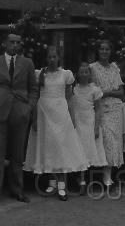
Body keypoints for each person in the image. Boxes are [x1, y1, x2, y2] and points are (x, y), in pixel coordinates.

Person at [0, 33, 39, 207]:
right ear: (5, 44)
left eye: (18, 43)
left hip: (19, 113)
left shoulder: (27, 63)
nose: (15, 45)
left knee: (17, 155)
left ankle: (17, 190)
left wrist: (28, 108)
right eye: (11, 42)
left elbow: (34, 89)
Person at [23, 46, 89, 201]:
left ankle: (61, 184)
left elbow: (69, 98)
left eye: (54, 57)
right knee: (49, 147)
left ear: (58, 58)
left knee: (61, 147)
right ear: (46, 58)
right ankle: (52, 181)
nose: (52, 60)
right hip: (44, 113)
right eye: (49, 57)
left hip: (60, 115)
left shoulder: (65, 74)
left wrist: (71, 117)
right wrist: (34, 118)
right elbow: (35, 96)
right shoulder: (40, 74)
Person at [89, 40, 124, 188]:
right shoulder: (92, 68)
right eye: (102, 49)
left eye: (107, 49)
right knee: (105, 140)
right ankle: (98, 174)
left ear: (111, 51)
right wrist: (109, 92)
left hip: (116, 109)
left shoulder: (114, 68)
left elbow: (122, 92)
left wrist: (105, 92)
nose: (104, 51)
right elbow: (91, 91)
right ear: (98, 51)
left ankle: (108, 175)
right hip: (101, 108)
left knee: (114, 142)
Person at [70, 63, 108, 195]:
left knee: (88, 152)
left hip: (89, 123)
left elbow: (98, 109)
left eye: (87, 72)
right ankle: (80, 182)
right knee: (79, 152)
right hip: (77, 123)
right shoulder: (73, 89)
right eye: (82, 72)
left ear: (90, 74)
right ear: (78, 74)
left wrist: (96, 127)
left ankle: (87, 182)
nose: (84, 74)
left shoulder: (94, 90)